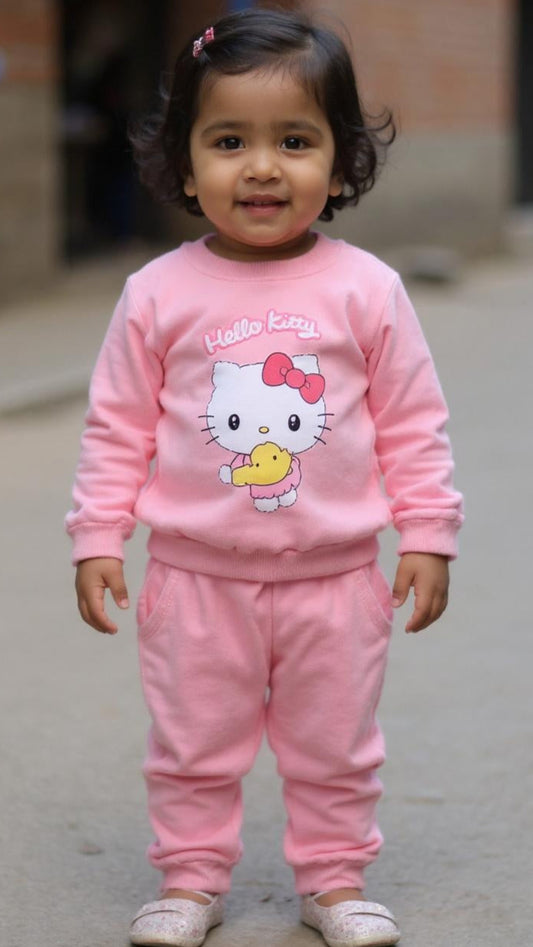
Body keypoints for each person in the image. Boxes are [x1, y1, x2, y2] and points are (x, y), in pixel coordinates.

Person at [66, 9, 464, 947]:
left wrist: (428, 532)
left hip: (334, 579)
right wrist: (95, 535)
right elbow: (117, 424)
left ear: (339, 161)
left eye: (294, 140)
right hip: (194, 579)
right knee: (192, 745)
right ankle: (191, 878)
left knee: (334, 747)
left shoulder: (366, 288)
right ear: (184, 158)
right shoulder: (157, 292)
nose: (260, 166)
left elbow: (412, 420)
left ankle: (332, 880)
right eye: (228, 140)